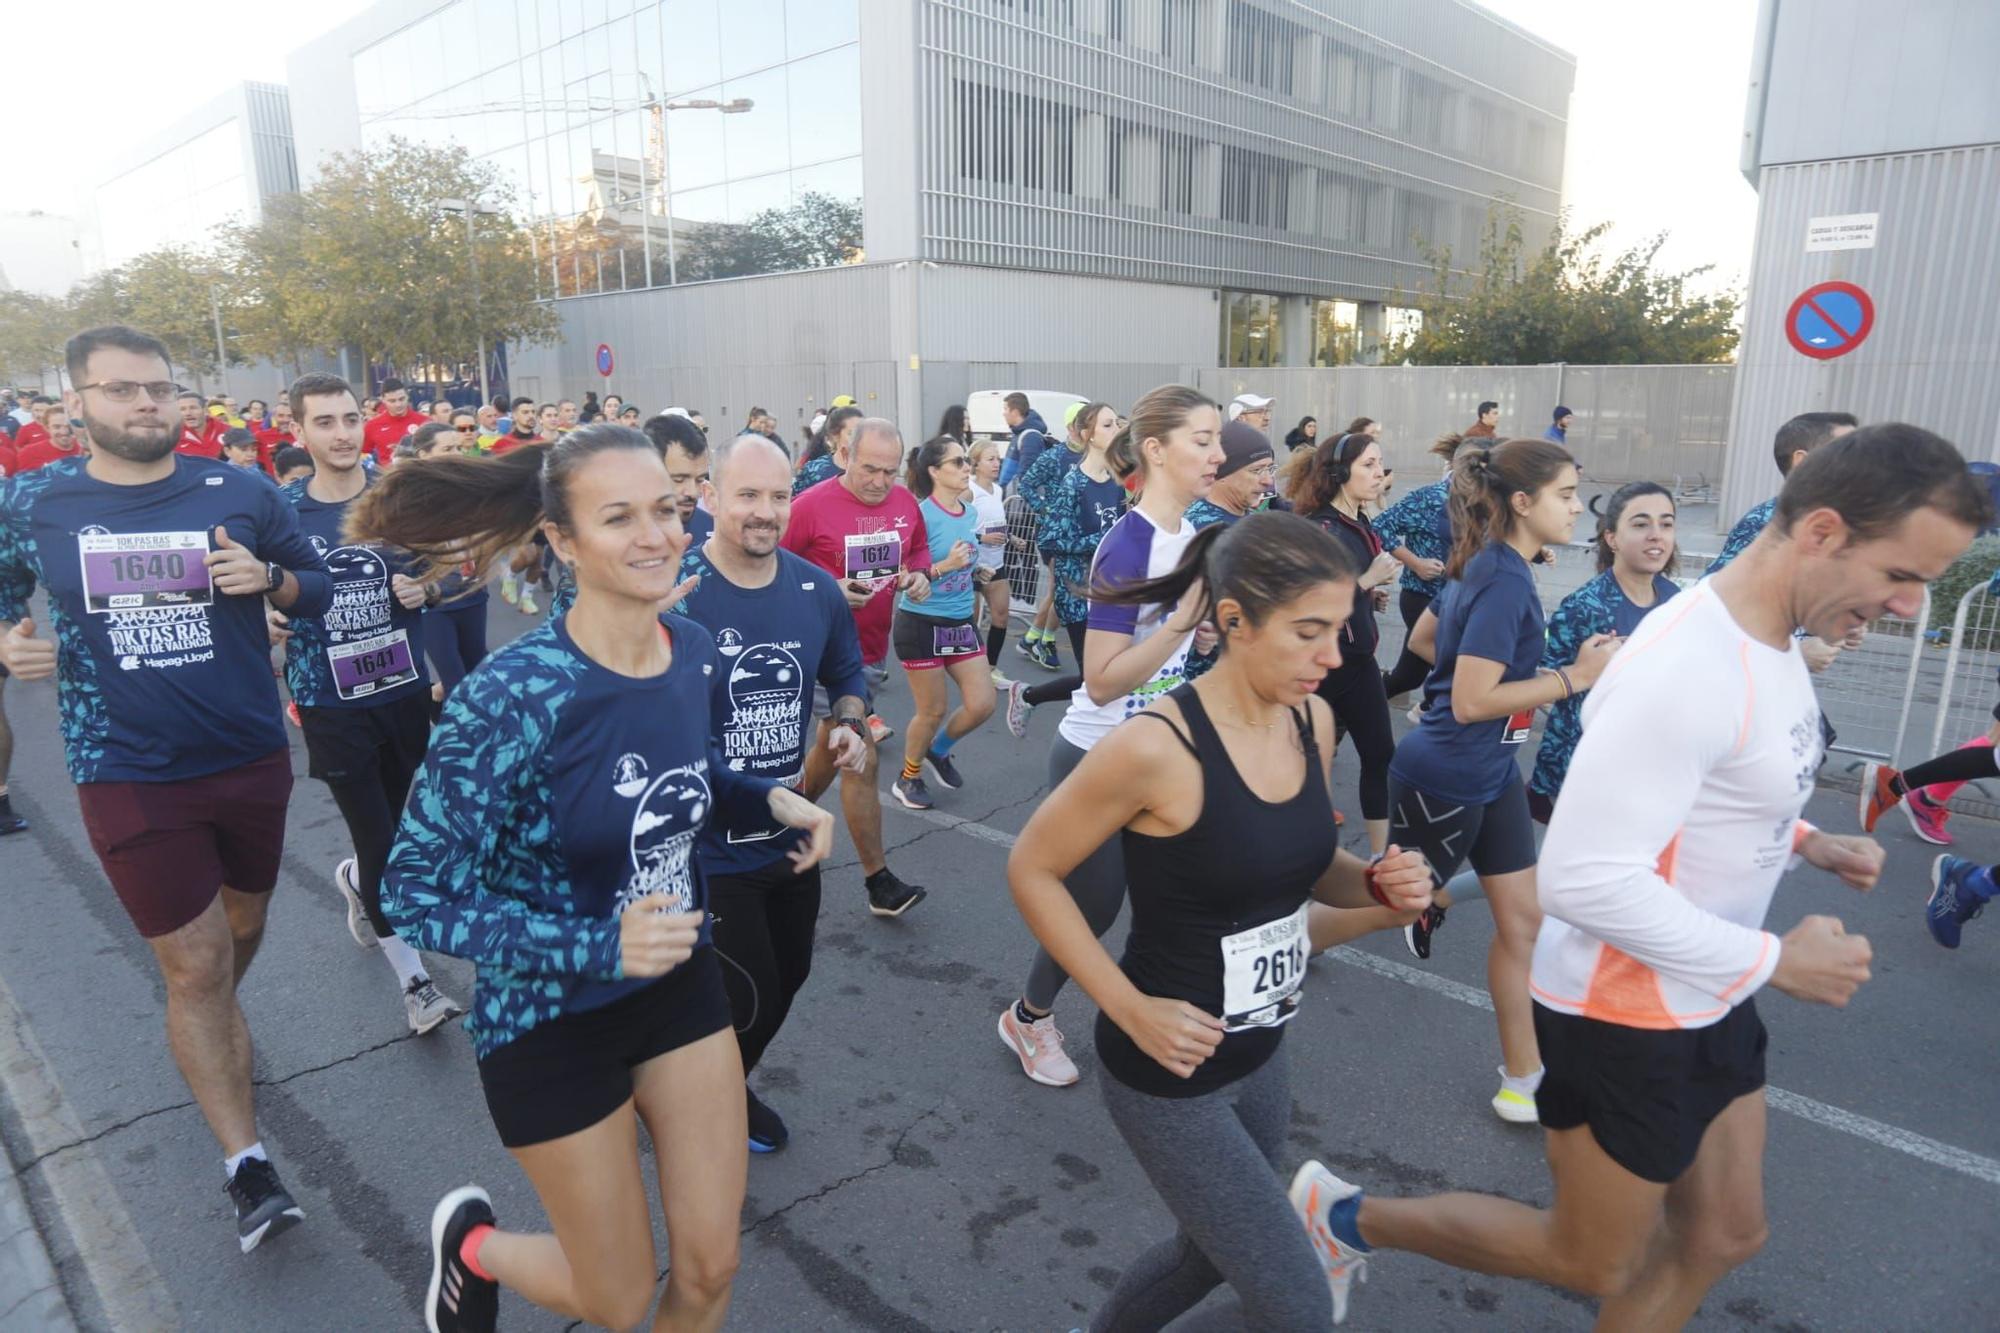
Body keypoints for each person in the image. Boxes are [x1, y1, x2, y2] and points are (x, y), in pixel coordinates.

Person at [1292, 423, 1986, 1328]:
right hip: (1624, 1009)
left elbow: (1727, 776)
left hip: (1708, 985)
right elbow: (1583, 881)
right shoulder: (1686, 666)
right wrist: (1776, 959)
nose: (1906, 607)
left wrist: (1804, 836)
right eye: (1903, 575)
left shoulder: (1769, 637)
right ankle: (1342, 1216)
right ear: (1821, 533)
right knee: (1592, 1256)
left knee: (1726, 1235)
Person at [353, 425, 833, 1333]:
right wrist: (595, 942)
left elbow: (680, 777)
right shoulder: (512, 694)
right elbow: (413, 887)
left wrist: (770, 799)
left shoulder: (689, 648)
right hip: (548, 1020)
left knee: (711, 1264)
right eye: (620, 517)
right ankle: (472, 1249)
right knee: (617, 1295)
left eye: (667, 509)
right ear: (563, 542)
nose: (656, 534)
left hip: (677, 984)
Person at [1010, 510, 1436, 1330]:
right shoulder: (1154, 746)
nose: (1336, 656)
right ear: (1233, 621)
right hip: (1167, 1072)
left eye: (1342, 630)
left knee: (1207, 1253)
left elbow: (1305, 872)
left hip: (1261, 1048)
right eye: (1309, 631)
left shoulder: (1307, 718)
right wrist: (1126, 1006)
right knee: (1297, 1305)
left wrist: (1378, 889)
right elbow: (1032, 866)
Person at [0, 325, 335, 1252]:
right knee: (192, 967)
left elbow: (319, 582)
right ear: (77, 405)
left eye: (159, 389)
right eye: (120, 391)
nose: (146, 404)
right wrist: (6, 634)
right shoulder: (31, 498)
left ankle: (209, 1021)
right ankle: (249, 1166)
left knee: (239, 932)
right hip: (126, 769)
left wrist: (270, 579)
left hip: (248, 755)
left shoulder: (242, 488)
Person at [996, 384, 1222, 1088]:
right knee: (1092, 905)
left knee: (1180, 886)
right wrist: (1186, 619)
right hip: (1097, 753)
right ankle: (1028, 1018)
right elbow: (1098, 679)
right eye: (1204, 440)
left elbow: (1161, 646)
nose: (1218, 454)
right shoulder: (1128, 544)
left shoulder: (1186, 534)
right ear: (1155, 450)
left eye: (1218, 440)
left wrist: (1196, 631)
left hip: (1154, 750)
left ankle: (1160, 1011)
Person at [1388, 438, 1616, 1124]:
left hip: (1491, 771)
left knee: (1524, 921)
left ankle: (1523, 1077)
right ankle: (1284, 940)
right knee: (1380, 904)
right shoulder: (1502, 575)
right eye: (1567, 494)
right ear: (1523, 502)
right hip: (1449, 773)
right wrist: (1576, 675)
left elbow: (1428, 642)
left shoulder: (1490, 563)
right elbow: (1468, 698)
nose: (1578, 506)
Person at [679, 434, 870, 1153]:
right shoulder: (680, 596)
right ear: (711, 497)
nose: (765, 511)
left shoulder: (814, 589)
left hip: (791, 840)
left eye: (778, 495)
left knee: (790, 974)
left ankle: (722, 1081)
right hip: (708, 851)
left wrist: (848, 724)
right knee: (749, 989)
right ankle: (710, 1105)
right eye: (747, 495)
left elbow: (847, 674)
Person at [266, 375, 464, 1032]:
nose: (342, 433)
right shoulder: (281, 511)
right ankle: (415, 981)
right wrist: (266, 615)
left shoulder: (401, 497)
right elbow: (253, 591)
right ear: (299, 432)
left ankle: (355, 879)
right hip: (331, 701)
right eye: (325, 422)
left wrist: (427, 592)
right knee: (382, 839)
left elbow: (456, 567)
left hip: (402, 689)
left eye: (350, 418)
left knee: (396, 830)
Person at [783, 417, 936, 918]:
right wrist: (828, 592)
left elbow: (916, 550)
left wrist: (918, 577)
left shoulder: (904, 503)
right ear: (845, 455)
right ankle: (878, 881)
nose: (879, 481)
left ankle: (779, 825)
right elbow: (766, 569)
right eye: (870, 468)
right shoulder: (809, 506)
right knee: (858, 755)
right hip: (818, 653)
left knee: (829, 751)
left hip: (869, 652)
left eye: (890, 472)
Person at [1292, 432, 1406, 855]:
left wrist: (1367, 594)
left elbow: (1347, 590)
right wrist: (1367, 581)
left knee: (1380, 755)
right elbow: (1309, 603)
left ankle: (1380, 856)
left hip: (1359, 662)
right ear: (1340, 473)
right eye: (1369, 466)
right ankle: (1303, 859)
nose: (1380, 474)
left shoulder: (1357, 519)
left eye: (1380, 464)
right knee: (1306, 768)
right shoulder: (1321, 529)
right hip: (1324, 667)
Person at [1001, 402, 1122, 734]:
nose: (1118, 430)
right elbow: (1054, 538)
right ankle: (1031, 698)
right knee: (1094, 681)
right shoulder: (1072, 482)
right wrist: (1099, 539)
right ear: (1087, 435)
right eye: (1109, 425)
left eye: (1118, 423)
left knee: (1106, 678)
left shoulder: (1117, 480)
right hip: (1078, 594)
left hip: (1110, 590)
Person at [889, 435, 996, 809]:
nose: (967, 468)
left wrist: (974, 568)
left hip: (959, 620)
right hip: (920, 623)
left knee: (982, 703)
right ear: (934, 471)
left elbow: (965, 557)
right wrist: (945, 567)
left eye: (967, 461)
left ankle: (938, 750)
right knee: (932, 709)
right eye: (958, 462)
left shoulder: (968, 513)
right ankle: (908, 776)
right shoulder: (919, 514)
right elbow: (902, 576)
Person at [1373, 432, 1469, 705]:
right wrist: (1415, 562)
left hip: (1460, 600)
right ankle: (1428, 712)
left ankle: (1352, 707)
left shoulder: (1486, 503)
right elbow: (1380, 526)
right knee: (1450, 667)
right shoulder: (1430, 498)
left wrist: (1536, 553)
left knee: (1410, 676)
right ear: (1457, 465)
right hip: (1424, 597)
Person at [1708, 412, 1860, 575]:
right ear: (1802, 461)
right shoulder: (1764, 524)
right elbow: (1716, 590)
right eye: (1848, 451)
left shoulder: (1862, 520)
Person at [407, 422, 490, 699]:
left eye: (458, 447)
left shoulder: (471, 487)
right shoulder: (408, 497)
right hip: (435, 605)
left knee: (477, 674)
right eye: (447, 448)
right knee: (457, 685)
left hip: (473, 595)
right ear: (423, 455)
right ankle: (459, 738)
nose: (456, 453)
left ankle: (432, 702)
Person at [1015, 402, 1091, 672]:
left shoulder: (1095, 456)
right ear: (1072, 428)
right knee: (1063, 588)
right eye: (1084, 423)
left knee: (1066, 589)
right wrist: (1047, 512)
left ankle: (1034, 637)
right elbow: (1025, 484)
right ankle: (1043, 641)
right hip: (1056, 536)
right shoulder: (1056, 456)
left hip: (1083, 537)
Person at [964, 438, 1013, 684]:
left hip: (996, 563)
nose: (997, 464)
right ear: (976, 464)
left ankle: (990, 668)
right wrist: (981, 537)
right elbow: (954, 525)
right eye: (990, 459)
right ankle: (970, 669)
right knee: (969, 620)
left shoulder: (1000, 490)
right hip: (970, 566)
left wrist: (1011, 537)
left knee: (1001, 615)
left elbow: (995, 524)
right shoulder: (969, 490)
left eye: (998, 459)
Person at [791, 404, 859, 497]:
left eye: (862, 433)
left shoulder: (874, 470)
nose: (859, 438)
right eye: (851, 433)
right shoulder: (815, 471)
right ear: (835, 435)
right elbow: (795, 504)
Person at [996, 392, 1052, 488]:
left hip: (1017, 499)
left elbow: (1027, 475)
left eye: (1005, 409)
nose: (1003, 413)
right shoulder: (1019, 434)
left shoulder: (1030, 437)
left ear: (1015, 412)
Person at [363, 378, 423, 466]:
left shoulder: (424, 421)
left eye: (401, 399)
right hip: (388, 476)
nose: (398, 404)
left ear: (407, 396)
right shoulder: (372, 426)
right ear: (383, 400)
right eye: (392, 401)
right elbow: (363, 455)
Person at [10, 405, 86, 471]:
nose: (64, 432)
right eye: (57, 427)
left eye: (69, 426)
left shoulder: (88, 450)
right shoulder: (29, 453)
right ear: (47, 428)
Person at [176, 390, 225, 456]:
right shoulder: (173, 439)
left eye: (193, 408)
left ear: (205, 410)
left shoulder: (226, 430)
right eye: (182, 409)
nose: (188, 413)